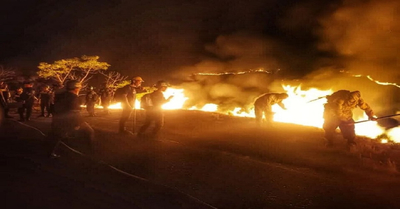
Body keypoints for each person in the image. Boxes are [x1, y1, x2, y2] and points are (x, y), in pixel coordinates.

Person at [48, 80, 94, 158]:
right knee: (89, 131)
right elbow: (74, 112)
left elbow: (53, 106)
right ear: (76, 88)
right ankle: (89, 151)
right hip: (69, 120)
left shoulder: (60, 95)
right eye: (79, 87)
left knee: (58, 136)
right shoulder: (73, 97)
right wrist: (78, 123)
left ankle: (51, 151)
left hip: (58, 119)